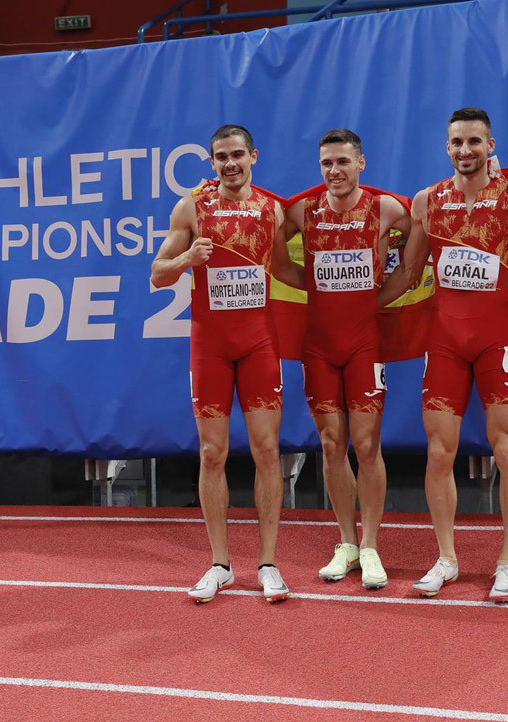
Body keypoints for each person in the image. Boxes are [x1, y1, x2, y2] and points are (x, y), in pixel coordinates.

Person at [379, 107, 508, 602]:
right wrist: (362, 310)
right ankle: (446, 559)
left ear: (491, 145)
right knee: (439, 452)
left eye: (474, 142)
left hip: (497, 341)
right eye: (457, 142)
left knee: (507, 448)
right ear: (446, 147)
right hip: (444, 344)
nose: (466, 151)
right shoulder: (426, 201)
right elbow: (408, 273)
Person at [151, 124, 302, 604]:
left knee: (266, 450)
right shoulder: (191, 208)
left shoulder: (271, 210)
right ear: (211, 162)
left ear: (253, 156)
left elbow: (283, 268)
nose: (230, 163)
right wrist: (186, 260)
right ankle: (219, 564)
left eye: (238, 154)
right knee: (212, 454)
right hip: (210, 346)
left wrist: (341, 274)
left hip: (259, 344)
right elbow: (156, 275)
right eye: (221, 156)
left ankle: (268, 564)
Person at [281, 129, 410, 590]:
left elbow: (419, 251)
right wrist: (313, 285)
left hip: (363, 344)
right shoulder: (302, 210)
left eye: (342, 162)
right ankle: (347, 543)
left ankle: (372, 546)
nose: (334, 171)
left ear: (361, 163)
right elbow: (275, 258)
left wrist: (387, 291)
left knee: (367, 444)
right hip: (318, 346)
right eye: (326, 164)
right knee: (331, 444)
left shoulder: (387, 209)